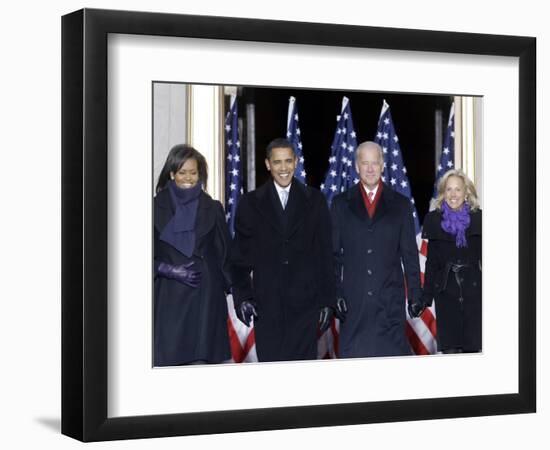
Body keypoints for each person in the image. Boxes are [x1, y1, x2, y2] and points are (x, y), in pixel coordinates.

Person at [230, 138, 342, 362]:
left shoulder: (315, 200)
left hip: (305, 308)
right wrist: (243, 297)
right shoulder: (250, 203)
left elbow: (326, 256)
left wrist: (328, 300)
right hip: (267, 307)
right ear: (267, 164)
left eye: (288, 161)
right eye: (277, 162)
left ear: (296, 162)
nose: (283, 168)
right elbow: (239, 259)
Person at [330, 141, 424, 358]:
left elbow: (410, 256)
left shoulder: (400, 205)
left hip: (389, 306)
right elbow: (332, 256)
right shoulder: (340, 204)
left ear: (383, 166)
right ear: (356, 166)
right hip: (353, 307)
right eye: (365, 163)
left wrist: (416, 295)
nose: (370, 169)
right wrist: (334, 294)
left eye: (375, 163)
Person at [153, 144, 232, 366]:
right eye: (182, 172)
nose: (188, 177)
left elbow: (226, 255)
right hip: (168, 299)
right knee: (168, 368)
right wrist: (165, 269)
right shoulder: (150, 208)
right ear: (172, 173)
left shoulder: (213, 208)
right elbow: (134, 257)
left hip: (206, 302)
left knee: (202, 371)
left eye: (193, 172)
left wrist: (237, 291)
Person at [421, 169, 482, 353]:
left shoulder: (479, 218)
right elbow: (432, 264)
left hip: (474, 295)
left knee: (474, 352)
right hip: (446, 295)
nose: (453, 194)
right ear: (443, 193)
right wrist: (426, 297)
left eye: (458, 189)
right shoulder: (434, 220)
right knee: (450, 353)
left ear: (466, 193)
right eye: (449, 189)